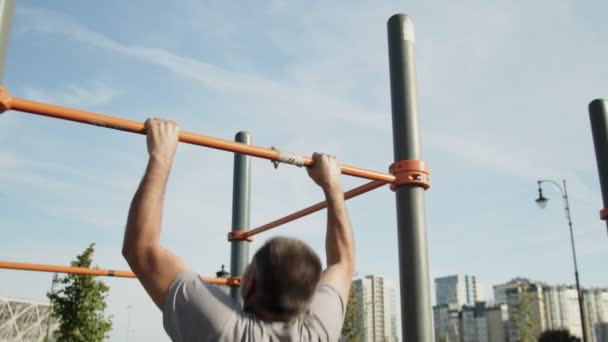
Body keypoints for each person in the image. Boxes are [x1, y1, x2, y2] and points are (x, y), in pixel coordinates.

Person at [122, 118, 355, 341]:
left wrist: (161, 156)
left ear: (250, 282)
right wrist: (333, 185)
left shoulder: (224, 329)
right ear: (309, 297)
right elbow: (343, 262)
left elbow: (140, 249)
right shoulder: (319, 333)